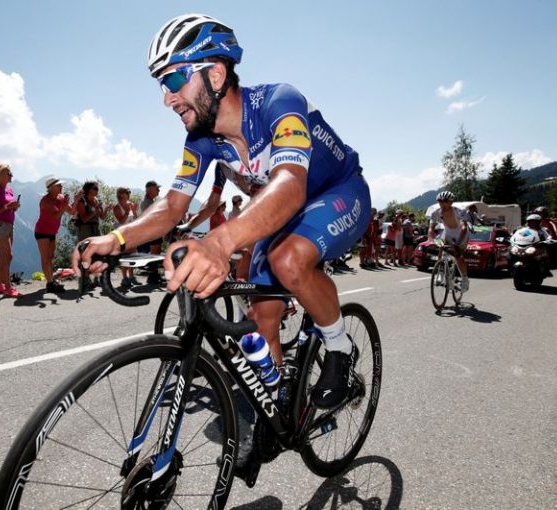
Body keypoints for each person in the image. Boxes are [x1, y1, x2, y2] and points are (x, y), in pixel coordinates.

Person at [75, 14, 371, 416]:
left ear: (215, 74)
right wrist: (117, 239)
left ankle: (339, 346)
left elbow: (289, 182)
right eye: (162, 86)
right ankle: (279, 411)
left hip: (339, 192)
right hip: (283, 211)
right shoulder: (200, 140)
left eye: (174, 80)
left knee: (288, 259)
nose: (167, 98)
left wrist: (219, 242)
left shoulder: (278, 101)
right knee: (260, 319)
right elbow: (173, 205)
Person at [35, 177, 76, 294]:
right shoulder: (45, 201)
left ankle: (51, 281)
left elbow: (72, 211)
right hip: (42, 231)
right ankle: (49, 283)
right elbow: (55, 216)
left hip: (52, 232)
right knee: (45, 258)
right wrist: (65, 204)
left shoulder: (61, 197)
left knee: (50, 257)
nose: (61, 187)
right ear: (51, 188)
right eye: (58, 185)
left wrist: (76, 200)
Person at [0, 164, 22, 298]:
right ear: (0, 175)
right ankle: (8, 287)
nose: (11, 175)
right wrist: (8, 206)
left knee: (4, 256)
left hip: (8, 224)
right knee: (8, 255)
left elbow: (9, 207)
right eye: (9, 173)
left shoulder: (9, 189)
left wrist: (14, 207)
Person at [428, 190, 470, 291]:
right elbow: (431, 228)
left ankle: (464, 278)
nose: (442, 203)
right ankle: (440, 271)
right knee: (441, 248)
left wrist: (457, 244)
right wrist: (431, 239)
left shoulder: (459, 211)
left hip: (461, 233)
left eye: (445, 201)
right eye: (440, 201)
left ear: (451, 202)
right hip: (448, 232)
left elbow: (464, 228)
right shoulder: (436, 212)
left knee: (458, 256)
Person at [138, 180, 165, 285]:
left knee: (156, 254)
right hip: (152, 232)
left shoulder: (151, 201)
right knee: (154, 254)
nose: (158, 190)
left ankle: (155, 275)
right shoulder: (146, 203)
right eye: (157, 188)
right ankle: (152, 277)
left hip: (155, 231)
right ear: (150, 190)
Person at [113, 187, 139, 287]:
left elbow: (136, 220)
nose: (129, 193)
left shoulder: (130, 204)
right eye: (126, 192)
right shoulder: (117, 207)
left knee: (132, 255)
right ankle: (125, 278)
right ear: (120, 194)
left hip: (130, 233)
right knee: (124, 255)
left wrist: (134, 211)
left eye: (129, 192)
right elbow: (121, 221)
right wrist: (128, 211)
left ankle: (131, 277)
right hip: (121, 234)